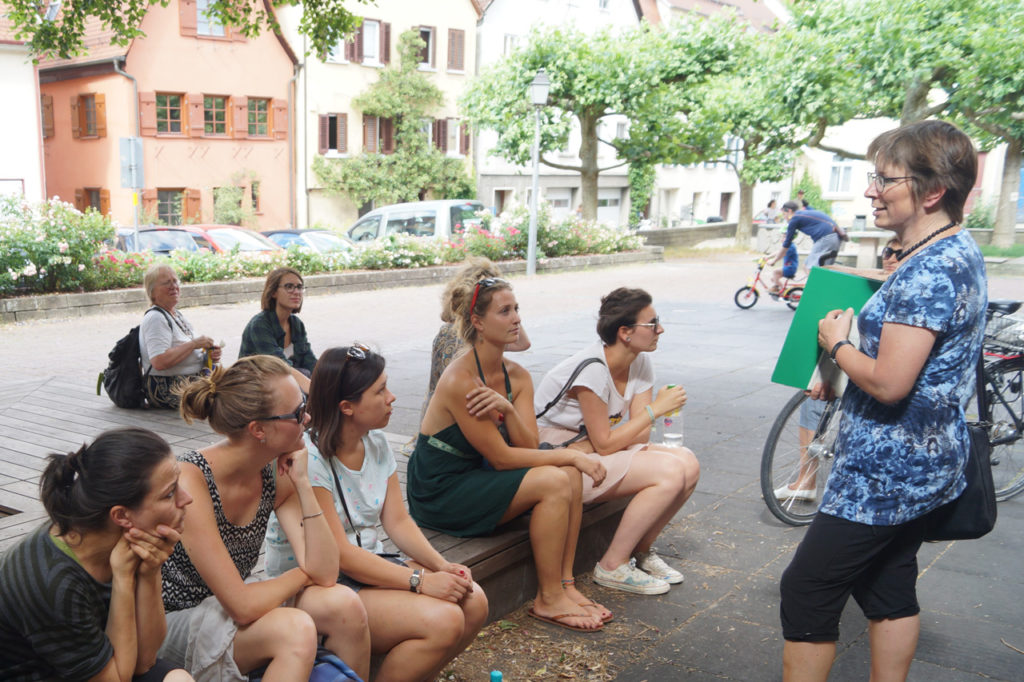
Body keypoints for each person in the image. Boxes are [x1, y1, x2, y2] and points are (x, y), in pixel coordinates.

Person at [779, 120, 986, 682]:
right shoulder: (952, 248)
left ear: (933, 190)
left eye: (884, 179)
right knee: (888, 582)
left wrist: (838, 346)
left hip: (886, 470)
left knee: (806, 590)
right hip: (927, 463)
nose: (870, 189)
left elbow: (892, 383)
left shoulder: (930, 271)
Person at [265, 346, 489, 681]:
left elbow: (397, 521)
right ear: (347, 407)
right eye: (380, 390)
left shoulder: (377, 443)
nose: (392, 397)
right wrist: (421, 581)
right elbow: (340, 554)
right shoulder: (309, 459)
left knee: (475, 601)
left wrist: (441, 566)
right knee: (446, 619)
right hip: (318, 585)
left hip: (367, 563)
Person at [407, 276, 608, 633]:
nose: (516, 318)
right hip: (442, 491)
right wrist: (572, 455)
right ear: (479, 324)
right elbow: (503, 458)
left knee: (568, 475)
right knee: (556, 477)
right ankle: (547, 599)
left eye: (516, 309)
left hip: (479, 475)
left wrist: (509, 410)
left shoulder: (517, 376)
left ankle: (565, 586)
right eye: (505, 311)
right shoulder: (460, 380)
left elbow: (528, 447)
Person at [160, 356, 370, 681]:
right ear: (258, 429)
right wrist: (303, 575)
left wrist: (302, 483)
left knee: (343, 604)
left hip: (226, 611)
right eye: (298, 413)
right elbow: (241, 605)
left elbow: (326, 571)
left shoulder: (274, 472)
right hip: (172, 622)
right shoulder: (192, 480)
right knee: (294, 630)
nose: (309, 417)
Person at [533, 288, 700, 595]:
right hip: (558, 462)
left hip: (588, 449)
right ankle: (612, 565)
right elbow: (614, 439)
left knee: (688, 462)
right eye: (652, 323)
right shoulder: (592, 369)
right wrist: (654, 410)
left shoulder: (639, 361)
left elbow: (638, 433)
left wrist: (617, 434)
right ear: (625, 332)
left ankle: (641, 551)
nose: (660, 330)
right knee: (670, 472)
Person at [0, 427, 194, 682]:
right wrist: (123, 579)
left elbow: (145, 660)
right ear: (121, 516)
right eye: (169, 493)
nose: (186, 498)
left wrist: (150, 571)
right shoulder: (56, 581)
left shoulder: (124, 540)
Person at [140, 264, 222, 409]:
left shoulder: (176, 314)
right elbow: (159, 361)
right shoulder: (155, 318)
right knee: (229, 397)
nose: (173, 286)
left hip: (188, 380)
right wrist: (194, 344)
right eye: (166, 283)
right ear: (152, 292)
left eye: (175, 281)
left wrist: (208, 355)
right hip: (167, 387)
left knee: (237, 386)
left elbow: (187, 352)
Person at [239, 268, 317, 394]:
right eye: (289, 286)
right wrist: (316, 391)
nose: (296, 292)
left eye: (299, 287)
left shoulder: (296, 324)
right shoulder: (260, 325)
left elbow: (310, 361)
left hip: (281, 383)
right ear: (274, 292)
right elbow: (279, 366)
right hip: (253, 389)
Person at [769, 201, 841, 275]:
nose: (784, 217)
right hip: (836, 238)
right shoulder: (804, 213)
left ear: (789, 211)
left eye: (784, 214)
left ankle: (814, 286)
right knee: (823, 268)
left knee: (808, 267)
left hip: (825, 239)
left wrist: (773, 261)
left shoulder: (794, 219)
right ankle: (823, 285)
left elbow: (786, 244)